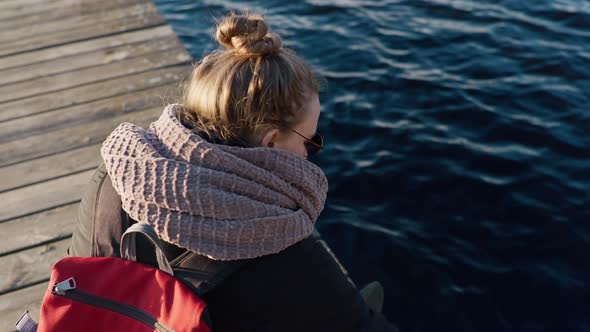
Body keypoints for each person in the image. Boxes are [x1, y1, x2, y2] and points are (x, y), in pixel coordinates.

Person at [69, 12, 398, 331]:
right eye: (309, 141)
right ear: (270, 144)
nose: (308, 154)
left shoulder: (114, 175)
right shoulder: (278, 243)